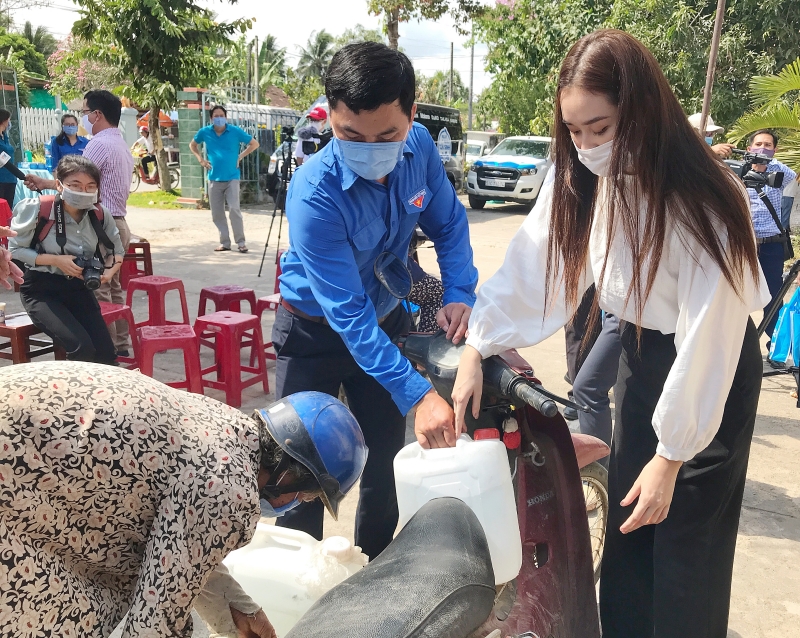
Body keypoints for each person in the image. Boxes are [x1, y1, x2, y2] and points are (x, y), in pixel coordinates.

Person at [452, 30, 769, 638]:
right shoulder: (584, 175)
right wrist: (478, 343)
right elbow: (534, 261)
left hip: (711, 370)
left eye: (600, 128)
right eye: (574, 130)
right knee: (630, 529)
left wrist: (672, 457)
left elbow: (712, 333)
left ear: (640, 110)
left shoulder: (706, 196)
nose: (587, 145)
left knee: (685, 544)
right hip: (641, 351)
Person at [274, 41, 478, 559]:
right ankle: (302, 596)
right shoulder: (314, 194)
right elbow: (347, 316)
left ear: (412, 114)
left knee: (386, 463)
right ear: (330, 120)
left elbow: (449, 222)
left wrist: (457, 292)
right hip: (313, 333)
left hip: (383, 321)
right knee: (300, 477)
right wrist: (419, 394)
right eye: (349, 135)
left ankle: (374, 576)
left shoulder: (422, 150)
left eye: (386, 134)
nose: (370, 147)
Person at [0, 361, 367, 637]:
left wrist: (237, 610)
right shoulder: (230, 491)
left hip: (23, 449)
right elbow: (154, 619)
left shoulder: (226, 427)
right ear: (291, 471)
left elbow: (178, 549)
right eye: (304, 494)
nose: (297, 503)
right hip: (14, 476)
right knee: (80, 612)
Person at [25, 90, 136, 358]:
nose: (82, 119)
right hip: (118, 222)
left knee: (95, 286)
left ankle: (101, 354)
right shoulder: (121, 143)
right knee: (113, 287)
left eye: (85, 113)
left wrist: (47, 183)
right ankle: (119, 345)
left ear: (97, 114)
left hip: (96, 224)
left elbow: (78, 182)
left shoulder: (98, 144)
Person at [9, 155, 124, 363]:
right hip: (42, 291)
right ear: (59, 185)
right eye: (75, 185)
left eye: (91, 186)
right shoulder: (38, 209)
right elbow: (15, 250)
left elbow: (116, 250)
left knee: (106, 355)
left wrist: (110, 271)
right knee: (81, 348)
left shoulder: (99, 214)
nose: (84, 191)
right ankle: (68, 394)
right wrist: (55, 260)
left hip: (79, 289)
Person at [744, 129, 797, 350]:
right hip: (743, 245)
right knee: (737, 293)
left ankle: (776, 347)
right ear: (749, 148)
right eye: (758, 144)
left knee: (773, 297)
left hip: (771, 245)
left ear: (775, 150)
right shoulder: (738, 170)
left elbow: (796, 179)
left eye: (768, 145)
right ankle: (739, 346)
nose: (762, 148)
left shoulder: (782, 173)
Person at [189, 105, 259, 253]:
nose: (219, 118)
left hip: (232, 177)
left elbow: (254, 144)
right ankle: (225, 242)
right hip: (214, 177)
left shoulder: (234, 131)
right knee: (217, 213)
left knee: (234, 209)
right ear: (211, 118)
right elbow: (193, 145)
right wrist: (200, 159)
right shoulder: (205, 132)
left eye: (221, 115)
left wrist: (240, 156)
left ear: (226, 117)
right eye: (216, 116)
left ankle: (241, 242)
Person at [0, 109, 18, 208]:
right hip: (1, 178)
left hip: (11, 178)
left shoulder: (5, 137)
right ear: (3, 121)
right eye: (8, 120)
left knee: (7, 209)